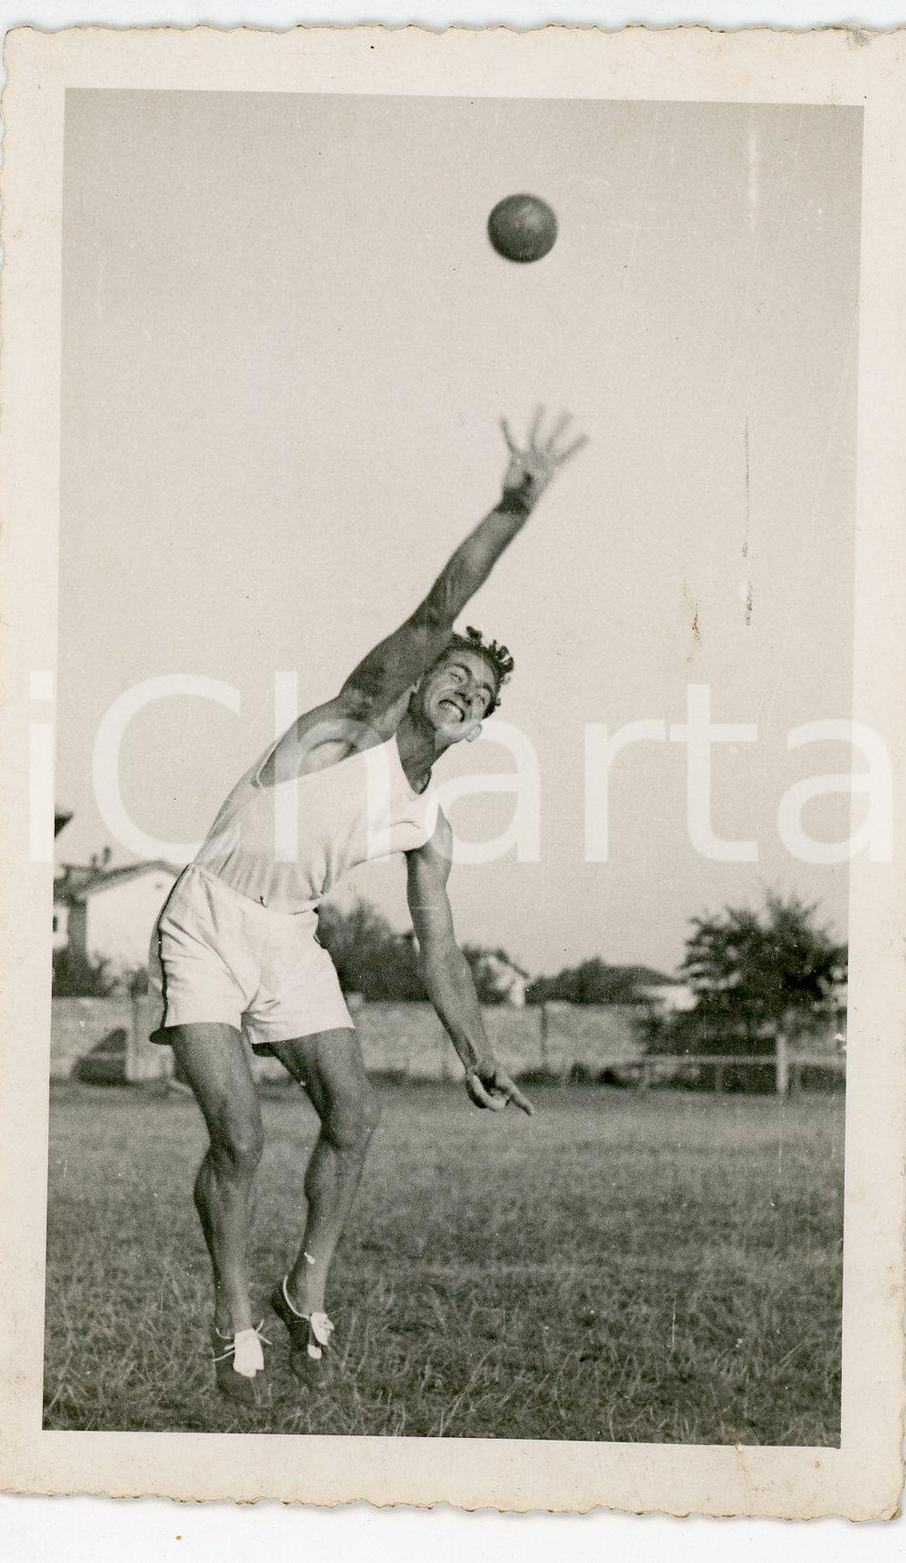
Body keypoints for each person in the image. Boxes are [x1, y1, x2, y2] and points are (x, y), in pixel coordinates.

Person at [148, 408, 588, 1406]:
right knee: (243, 1138)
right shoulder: (349, 726)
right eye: (455, 677)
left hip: (289, 940)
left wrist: (477, 1055)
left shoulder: (427, 822)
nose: (467, 691)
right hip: (210, 918)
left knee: (356, 1111)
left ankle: (305, 1285)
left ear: (480, 729)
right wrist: (512, 506)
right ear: (418, 684)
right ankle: (232, 1319)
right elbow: (441, 604)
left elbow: (440, 953)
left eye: (483, 694)